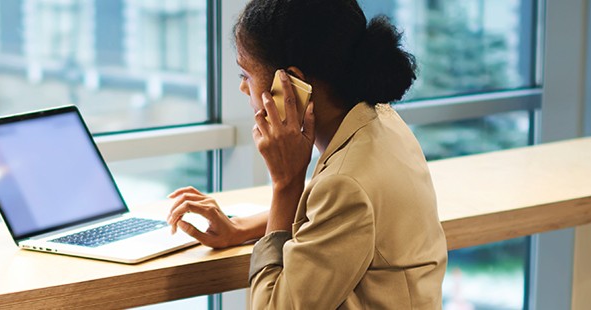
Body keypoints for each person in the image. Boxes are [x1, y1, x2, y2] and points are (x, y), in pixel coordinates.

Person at [164, 0, 445, 309]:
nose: (244, 89)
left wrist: (286, 184)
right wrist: (241, 228)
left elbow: (272, 306)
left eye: (246, 74)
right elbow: (334, 222)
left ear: (292, 83)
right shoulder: (381, 120)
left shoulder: (346, 184)